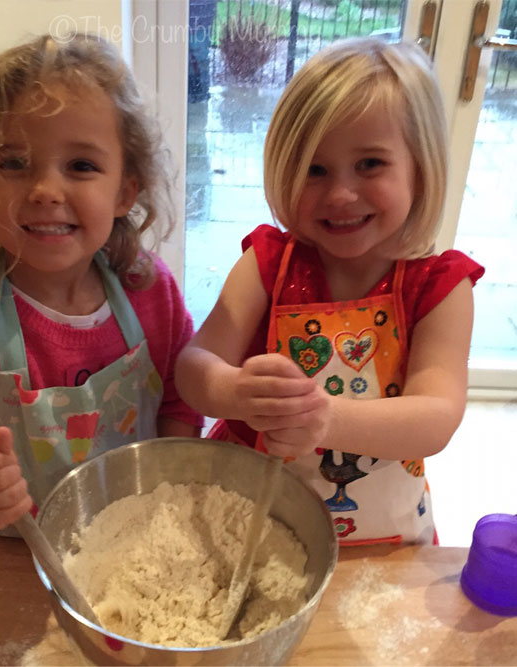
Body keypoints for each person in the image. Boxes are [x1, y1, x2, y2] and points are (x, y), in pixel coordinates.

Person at [0, 33, 202, 533]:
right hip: (20, 565)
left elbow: (182, 400)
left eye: (81, 166)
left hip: (139, 545)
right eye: (14, 163)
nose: (46, 191)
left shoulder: (149, 291)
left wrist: (169, 485)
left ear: (124, 190)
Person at [175, 37, 484, 546]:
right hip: (253, 524)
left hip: (380, 537)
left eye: (370, 164)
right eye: (315, 170)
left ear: (420, 169)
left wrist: (322, 419)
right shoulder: (268, 263)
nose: (341, 194)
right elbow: (194, 365)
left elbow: (436, 417)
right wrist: (234, 392)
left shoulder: (440, 288)